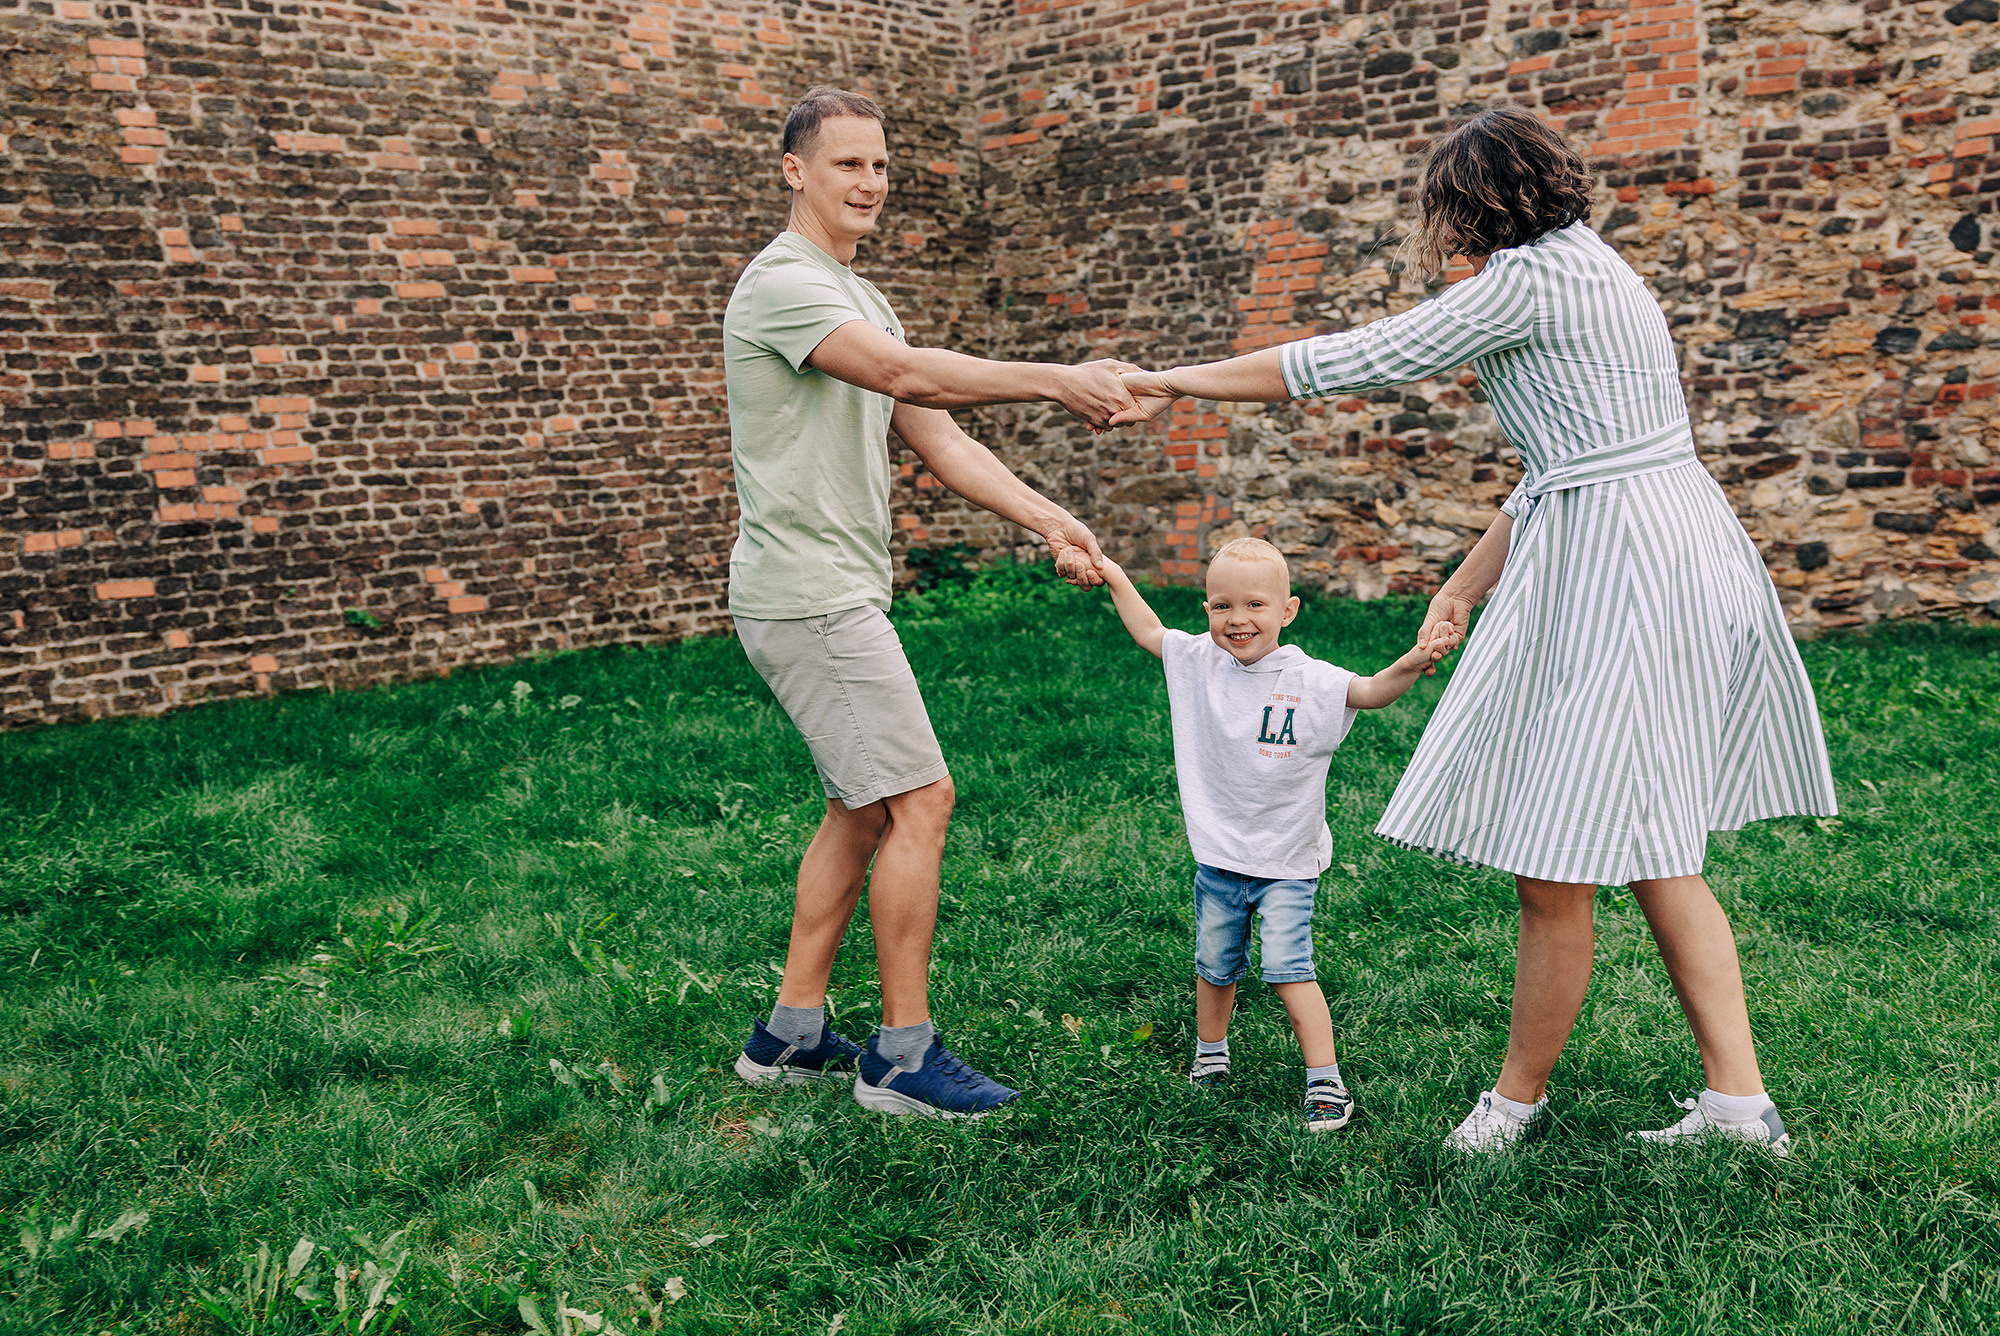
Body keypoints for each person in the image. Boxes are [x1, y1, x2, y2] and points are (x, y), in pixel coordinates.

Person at [1110, 106, 1837, 1155]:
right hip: (1660, 542)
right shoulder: (1594, 264)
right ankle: (1736, 1104)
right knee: (1653, 849)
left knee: (1558, 858)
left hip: (1623, 575)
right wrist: (1463, 579)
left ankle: (1512, 1107)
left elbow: (1346, 360)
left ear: (1468, 204)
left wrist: (1168, 381)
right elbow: (1567, 459)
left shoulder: (1527, 281)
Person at [723, 87, 1137, 1119]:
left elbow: (935, 432)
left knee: (860, 808)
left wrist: (1046, 517)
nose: (868, 184)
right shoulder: (781, 283)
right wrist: (1054, 377)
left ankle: (788, 1035)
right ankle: (902, 1059)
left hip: (824, 590)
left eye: (879, 167)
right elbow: (906, 372)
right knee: (921, 798)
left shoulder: (861, 296)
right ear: (794, 170)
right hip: (810, 594)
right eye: (846, 165)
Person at [1097, 537, 1445, 1132]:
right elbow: (1151, 631)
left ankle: (1325, 1081)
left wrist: (1410, 663)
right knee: (1214, 964)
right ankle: (1210, 1055)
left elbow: (1369, 692)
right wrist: (1111, 574)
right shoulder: (1198, 663)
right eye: (1220, 606)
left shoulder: (1310, 678)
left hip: (1286, 860)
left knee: (1289, 968)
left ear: (1287, 611)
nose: (1237, 620)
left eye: (1255, 605)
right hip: (1220, 858)